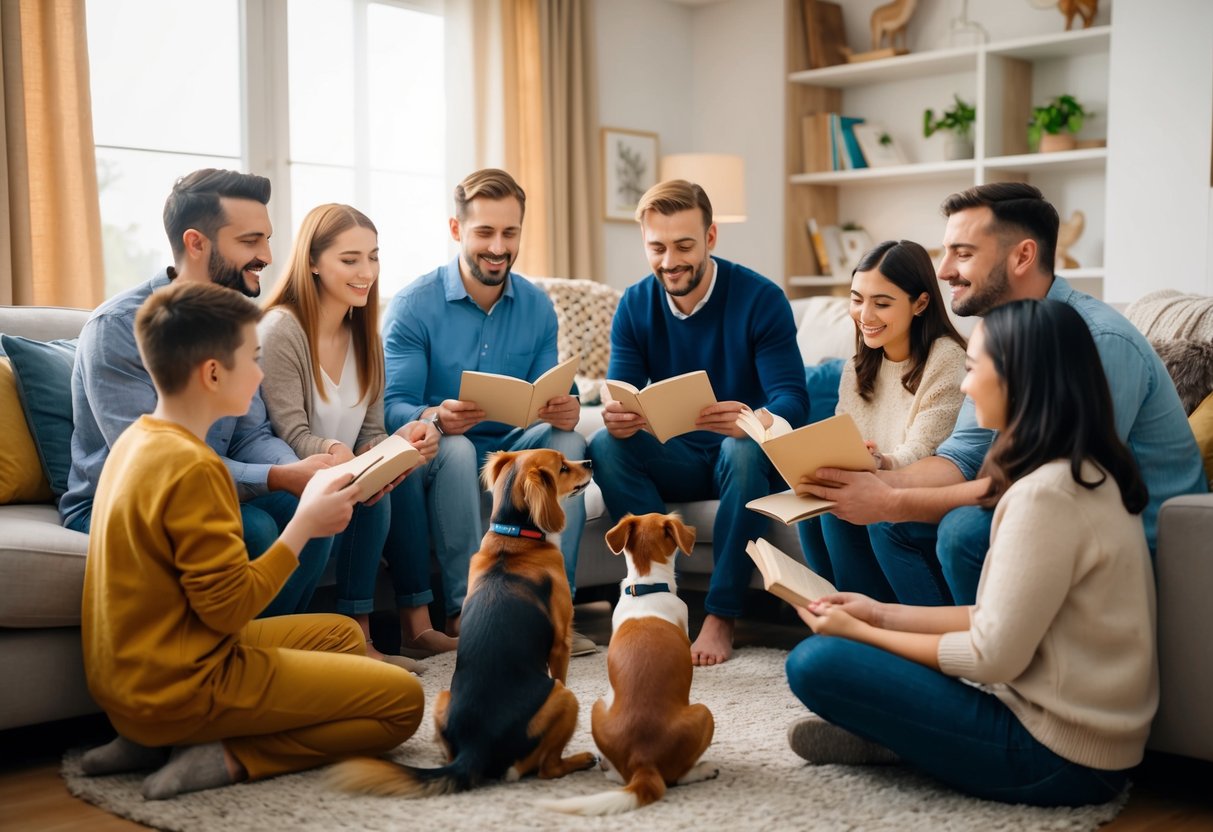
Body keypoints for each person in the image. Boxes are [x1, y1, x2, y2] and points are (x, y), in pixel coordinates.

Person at [785, 299, 1157, 807]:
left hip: (1059, 760)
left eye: (972, 369)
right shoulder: (1086, 471)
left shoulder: (1045, 496)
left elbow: (990, 655)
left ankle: (907, 743)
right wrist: (878, 613)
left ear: (1019, 378)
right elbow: (995, 620)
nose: (964, 385)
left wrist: (863, 633)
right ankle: (915, 738)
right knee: (850, 651)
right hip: (1086, 746)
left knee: (815, 661)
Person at [79, 281, 424, 800]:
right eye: (253, 360)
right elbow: (229, 610)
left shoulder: (137, 440)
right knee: (404, 701)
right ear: (213, 373)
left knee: (343, 637)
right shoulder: (195, 468)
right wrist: (304, 524)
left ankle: (146, 740)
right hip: (183, 688)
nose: (261, 376)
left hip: (129, 685)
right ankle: (228, 753)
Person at [798, 182, 1206, 605]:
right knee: (864, 509)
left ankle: (961, 658)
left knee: (957, 532)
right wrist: (877, 476)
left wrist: (895, 501)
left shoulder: (1096, 339)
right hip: (1046, 496)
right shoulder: (1000, 335)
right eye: (946, 252)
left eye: (964, 253)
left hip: (1135, 532)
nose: (942, 271)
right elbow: (963, 455)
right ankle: (882, 643)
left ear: (1023, 256)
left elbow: (1048, 486)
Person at [61, 169, 336, 617]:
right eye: (250, 241)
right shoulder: (118, 328)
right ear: (196, 243)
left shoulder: (237, 322)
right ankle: (241, 661)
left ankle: (278, 650)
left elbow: (251, 434)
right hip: (122, 502)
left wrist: (303, 471)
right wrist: (276, 477)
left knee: (316, 504)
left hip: (212, 486)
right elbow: (155, 471)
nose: (267, 255)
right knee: (257, 527)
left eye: (266, 239)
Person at [587, 179, 810, 667]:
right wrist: (620, 417)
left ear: (710, 239)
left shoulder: (760, 299)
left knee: (746, 449)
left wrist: (755, 419)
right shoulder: (634, 304)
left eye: (684, 246)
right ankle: (657, 592)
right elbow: (620, 390)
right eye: (657, 247)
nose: (670, 262)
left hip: (744, 456)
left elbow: (794, 398)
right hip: (681, 455)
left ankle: (721, 615)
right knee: (606, 445)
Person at [381, 168, 594, 655]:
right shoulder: (414, 305)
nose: (498, 246)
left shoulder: (538, 306)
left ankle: (553, 614)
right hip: (441, 450)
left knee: (569, 444)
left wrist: (566, 409)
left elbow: (552, 390)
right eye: (484, 232)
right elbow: (393, 408)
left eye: (509, 233)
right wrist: (435, 416)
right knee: (456, 449)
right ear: (457, 230)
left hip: (513, 446)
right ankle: (467, 614)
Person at [259, 203, 451, 665]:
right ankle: (359, 638)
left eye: (374, 256)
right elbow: (290, 432)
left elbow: (370, 430)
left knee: (394, 472)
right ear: (312, 262)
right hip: (297, 475)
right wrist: (335, 452)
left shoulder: (366, 335)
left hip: (344, 469)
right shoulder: (281, 330)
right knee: (367, 489)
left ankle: (404, 631)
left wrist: (396, 442)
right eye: (350, 260)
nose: (367, 271)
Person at [799, 240, 966, 601]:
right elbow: (842, 439)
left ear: (920, 303)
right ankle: (842, 610)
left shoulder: (947, 359)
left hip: (920, 497)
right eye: (857, 299)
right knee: (814, 506)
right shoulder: (857, 367)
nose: (865, 315)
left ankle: (867, 620)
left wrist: (880, 463)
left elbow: (924, 451)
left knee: (839, 506)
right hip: (873, 484)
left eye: (882, 303)